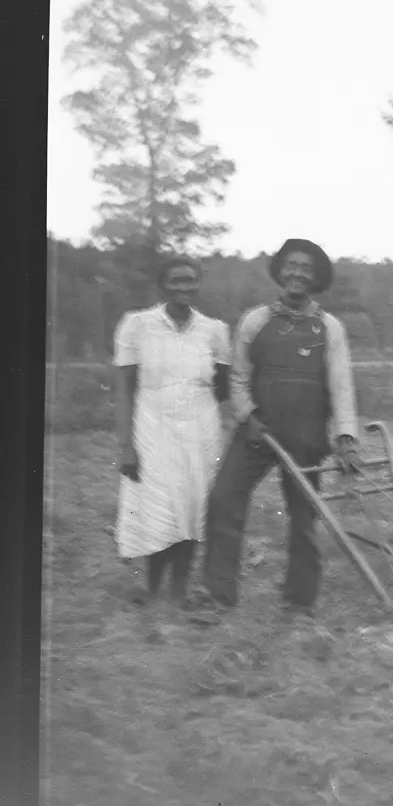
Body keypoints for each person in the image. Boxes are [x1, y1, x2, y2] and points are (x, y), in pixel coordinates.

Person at [200, 238, 360, 618]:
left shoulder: (329, 328)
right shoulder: (256, 320)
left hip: (305, 435)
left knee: (304, 518)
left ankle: (299, 604)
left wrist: (347, 439)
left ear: (316, 277)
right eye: (292, 265)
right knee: (223, 500)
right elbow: (238, 379)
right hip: (258, 431)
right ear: (280, 271)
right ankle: (217, 597)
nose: (297, 273)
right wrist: (248, 417)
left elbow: (340, 385)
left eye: (307, 268)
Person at [113, 257, 231, 603]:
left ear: (198, 284)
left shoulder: (214, 330)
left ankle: (179, 590)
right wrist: (125, 446)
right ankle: (151, 588)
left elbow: (223, 387)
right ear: (163, 285)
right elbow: (123, 388)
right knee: (159, 505)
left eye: (190, 281)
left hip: (200, 430)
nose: (184, 288)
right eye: (176, 281)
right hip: (152, 427)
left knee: (193, 506)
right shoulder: (137, 325)